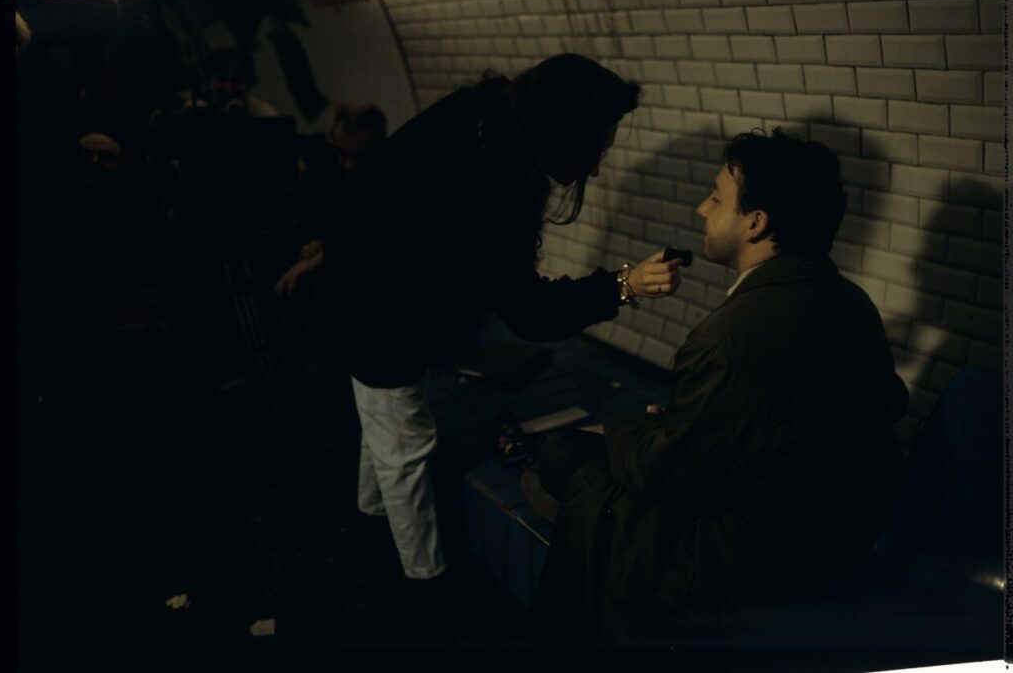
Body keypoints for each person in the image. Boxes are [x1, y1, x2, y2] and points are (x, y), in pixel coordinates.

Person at [532, 128, 909, 647]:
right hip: (838, 536)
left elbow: (669, 475)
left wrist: (629, 430)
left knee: (562, 453)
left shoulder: (727, 337)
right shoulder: (852, 302)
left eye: (716, 197)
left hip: (752, 559)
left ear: (756, 223)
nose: (701, 209)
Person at [322, 54, 684, 594]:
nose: (594, 170)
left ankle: (370, 518)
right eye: (593, 152)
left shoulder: (488, 116)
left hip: (369, 284)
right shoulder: (490, 182)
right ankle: (426, 582)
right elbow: (531, 311)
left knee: (385, 423)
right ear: (563, 133)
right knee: (405, 444)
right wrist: (622, 286)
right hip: (377, 308)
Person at [273, 102, 388, 297]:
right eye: (341, 153)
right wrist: (311, 246)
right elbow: (308, 219)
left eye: (360, 155)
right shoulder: (323, 169)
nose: (349, 165)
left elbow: (369, 237)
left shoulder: (387, 180)